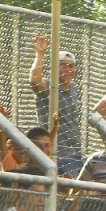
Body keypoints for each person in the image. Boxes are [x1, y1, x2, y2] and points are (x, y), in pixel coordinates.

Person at [29, 33, 82, 176]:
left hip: (74, 151)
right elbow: (34, 81)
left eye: (71, 66)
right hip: (53, 150)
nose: (68, 69)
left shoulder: (73, 89)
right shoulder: (49, 86)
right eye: (63, 65)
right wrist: (40, 53)